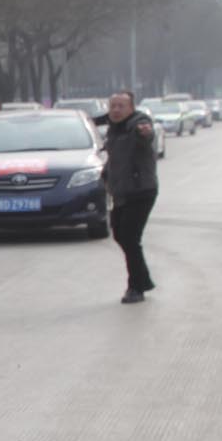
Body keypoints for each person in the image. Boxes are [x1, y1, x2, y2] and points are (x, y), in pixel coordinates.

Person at [95, 90, 159, 303]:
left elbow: (145, 134)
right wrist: (106, 175)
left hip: (141, 191)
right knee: (120, 235)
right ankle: (144, 279)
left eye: (121, 106)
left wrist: (145, 132)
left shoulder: (137, 124)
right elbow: (116, 157)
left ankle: (136, 288)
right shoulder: (115, 128)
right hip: (122, 192)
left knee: (130, 238)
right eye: (112, 105)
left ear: (131, 108)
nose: (115, 110)